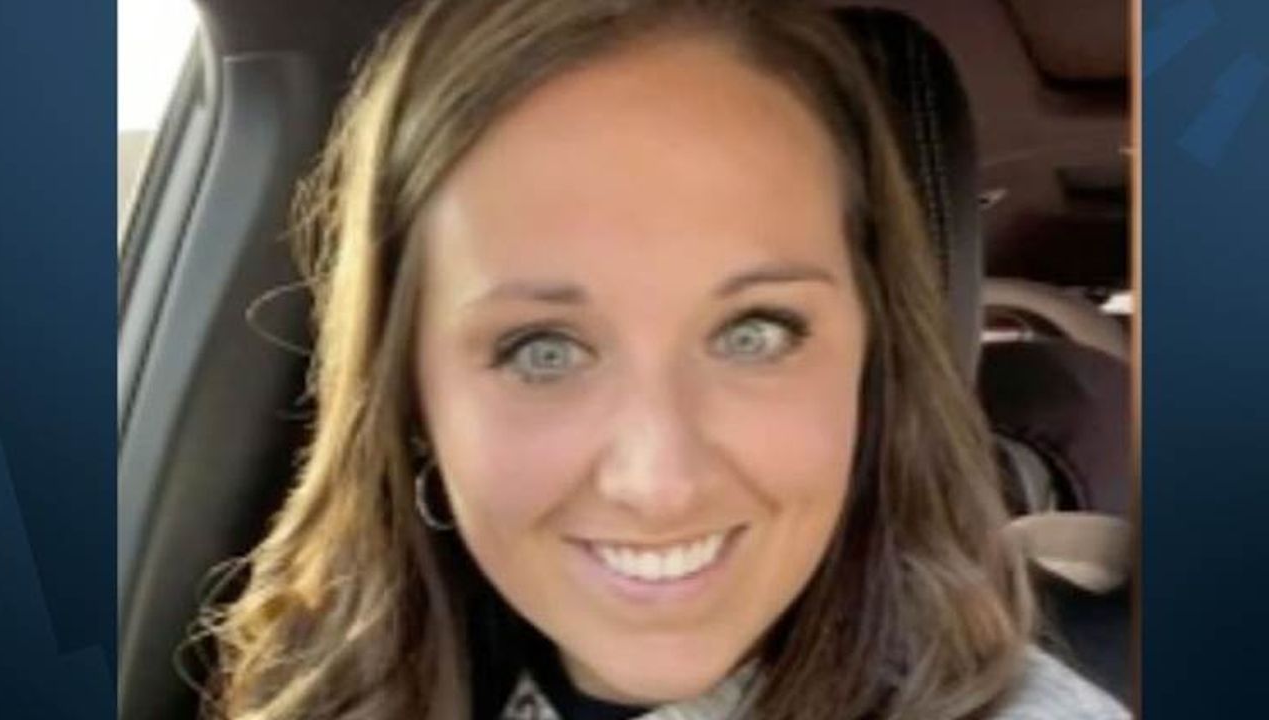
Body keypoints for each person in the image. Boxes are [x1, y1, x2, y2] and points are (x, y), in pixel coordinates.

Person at [200, 1, 1130, 718]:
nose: (660, 485)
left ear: (874, 364)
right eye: (543, 350)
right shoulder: (318, 682)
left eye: (756, 333)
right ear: (412, 395)